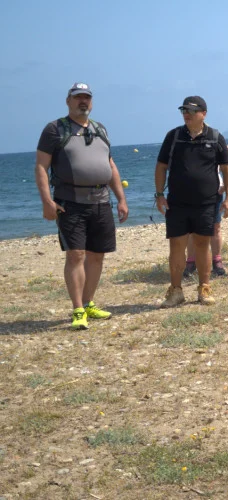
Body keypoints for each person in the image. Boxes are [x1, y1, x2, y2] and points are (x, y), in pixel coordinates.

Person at [34, 82, 129, 330]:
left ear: (92, 102)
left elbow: (110, 165)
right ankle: (77, 309)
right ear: (68, 101)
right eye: (78, 97)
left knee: (97, 255)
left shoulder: (100, 129)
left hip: (101, 201)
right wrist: (47, 201)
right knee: (76, 254)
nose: (83, 101)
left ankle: (88, 304)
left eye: (87, 97)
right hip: (70, 203)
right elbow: (41, 167)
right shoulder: (55, 129)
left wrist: (121, 199)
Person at [154, 96, 228, 307]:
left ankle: (204, 289)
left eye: (191, 110)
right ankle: (175, 291)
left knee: (202, 245)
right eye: (184, 110)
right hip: (177, 203)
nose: (186, 114)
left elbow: (227, 169)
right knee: (176, 247)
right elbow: (161, 166)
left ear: (203, 113)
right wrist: (159, 195)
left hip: (206, 203)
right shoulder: (174, 136)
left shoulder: (215, 137)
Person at [184, 170, 228, 278]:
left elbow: (226, 168)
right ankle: (191, 262)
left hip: (215, 190)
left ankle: (217, 261)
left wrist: (227, 189)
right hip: (190, 190)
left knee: (215, 227)